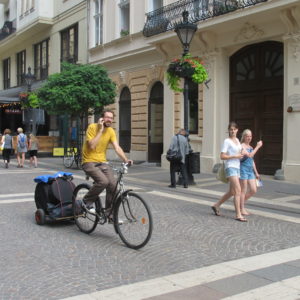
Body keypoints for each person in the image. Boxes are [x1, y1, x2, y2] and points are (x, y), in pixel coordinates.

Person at [81, 109, 133, 215]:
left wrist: (126, 160)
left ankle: (109, 213)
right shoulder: (92, 127)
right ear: (102, 118)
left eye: (111, 118)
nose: (109, 119)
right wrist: (100, 130)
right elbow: (91, 146)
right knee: (103, 182)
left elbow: (117, 147)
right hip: (88, 161)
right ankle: (86, 201)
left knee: (113, 185)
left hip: (102, 162)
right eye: (107, 117)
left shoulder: (111, 131)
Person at [211, 122, 248, 222]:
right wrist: (234, 156)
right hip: (230, 167)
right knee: (238, 190)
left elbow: (241, 152)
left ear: (237, 130)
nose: (232, 131)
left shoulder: (237, 140)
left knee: (232, 191)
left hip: (237, 167)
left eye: (234, 129)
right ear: (229, 130)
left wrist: (244, 152)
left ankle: (216, 205)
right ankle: (238, 214)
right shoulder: (227, 141)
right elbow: (222, 156)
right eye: (231, 129)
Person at [240, 129, 263, 215]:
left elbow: (252, 160)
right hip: (243, 170)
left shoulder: (251, 147)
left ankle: (239, 203)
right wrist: (258, 146)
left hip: (250, 171)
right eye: (247, 136)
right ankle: (241, 208)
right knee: (243, 190)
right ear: (244, 137)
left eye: (250, 136)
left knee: (253, 189)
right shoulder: (241, 146)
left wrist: (256, 172)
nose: (249, 138)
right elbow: (250, 155)